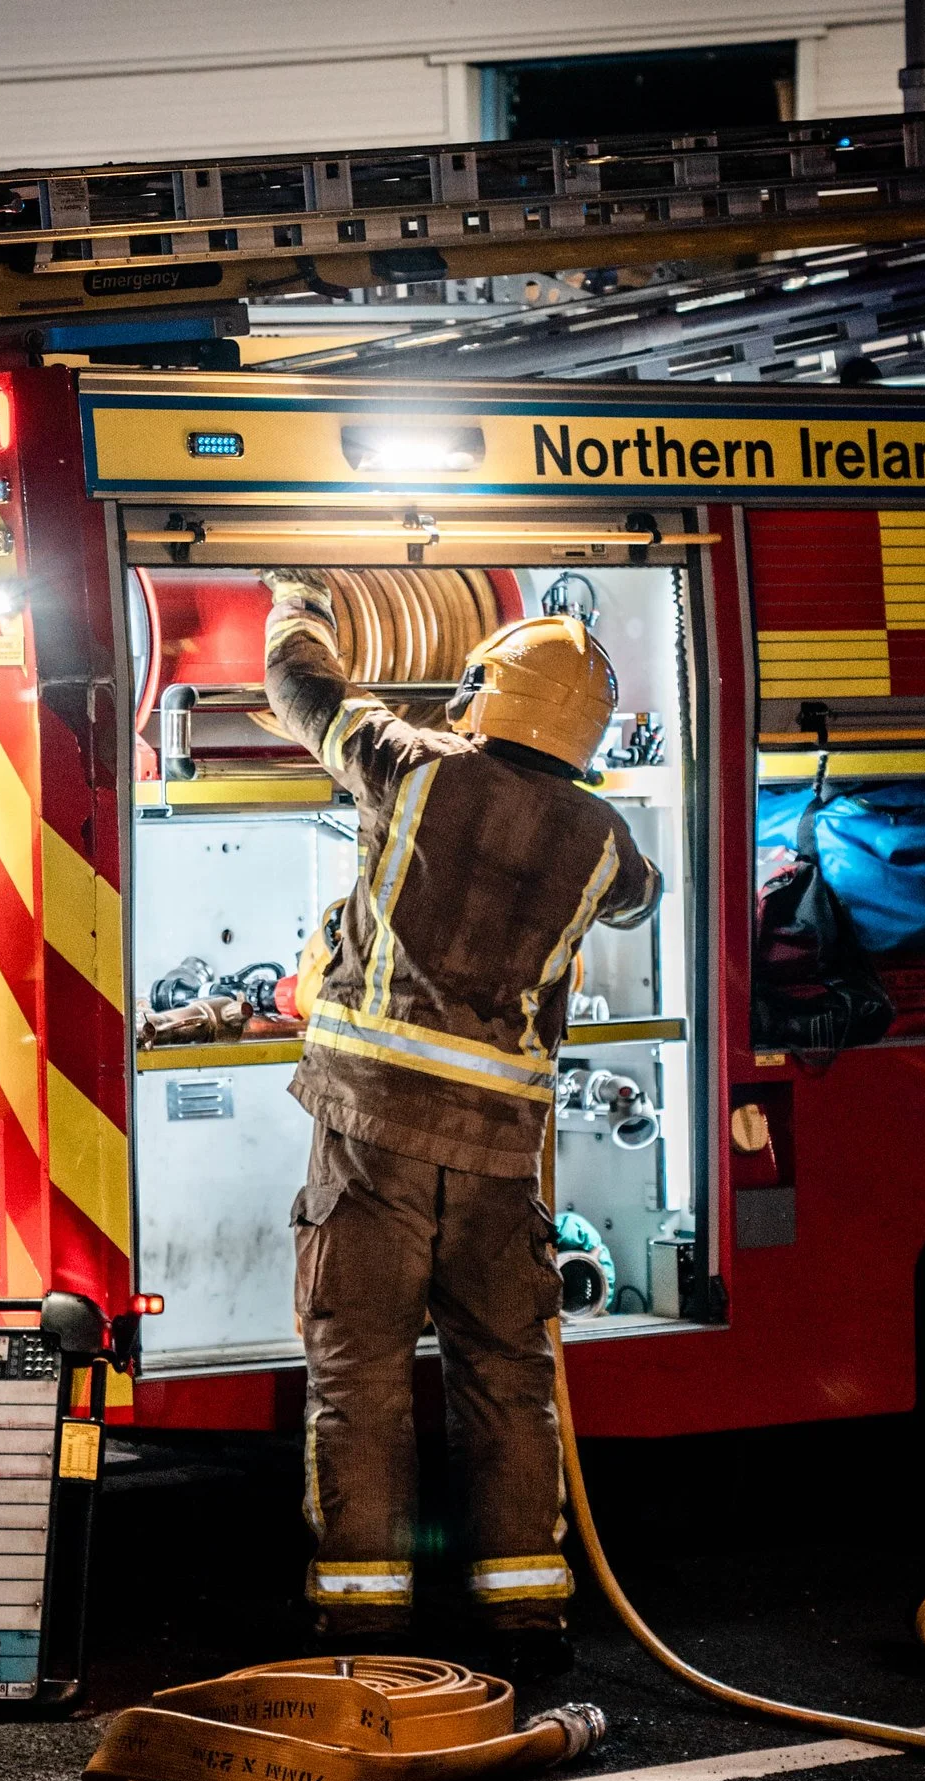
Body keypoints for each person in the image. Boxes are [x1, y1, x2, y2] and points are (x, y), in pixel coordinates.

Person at [264, 572, 660, 1674]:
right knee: (507, 1374)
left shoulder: (414, 767)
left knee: (362, 1370)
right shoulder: (601, 835)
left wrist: (298, 598)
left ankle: (362, 1618)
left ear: (488, 692)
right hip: (499, 1155)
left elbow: (302, 689)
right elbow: (640, 893)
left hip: (370, 1132)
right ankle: (528, 1616)